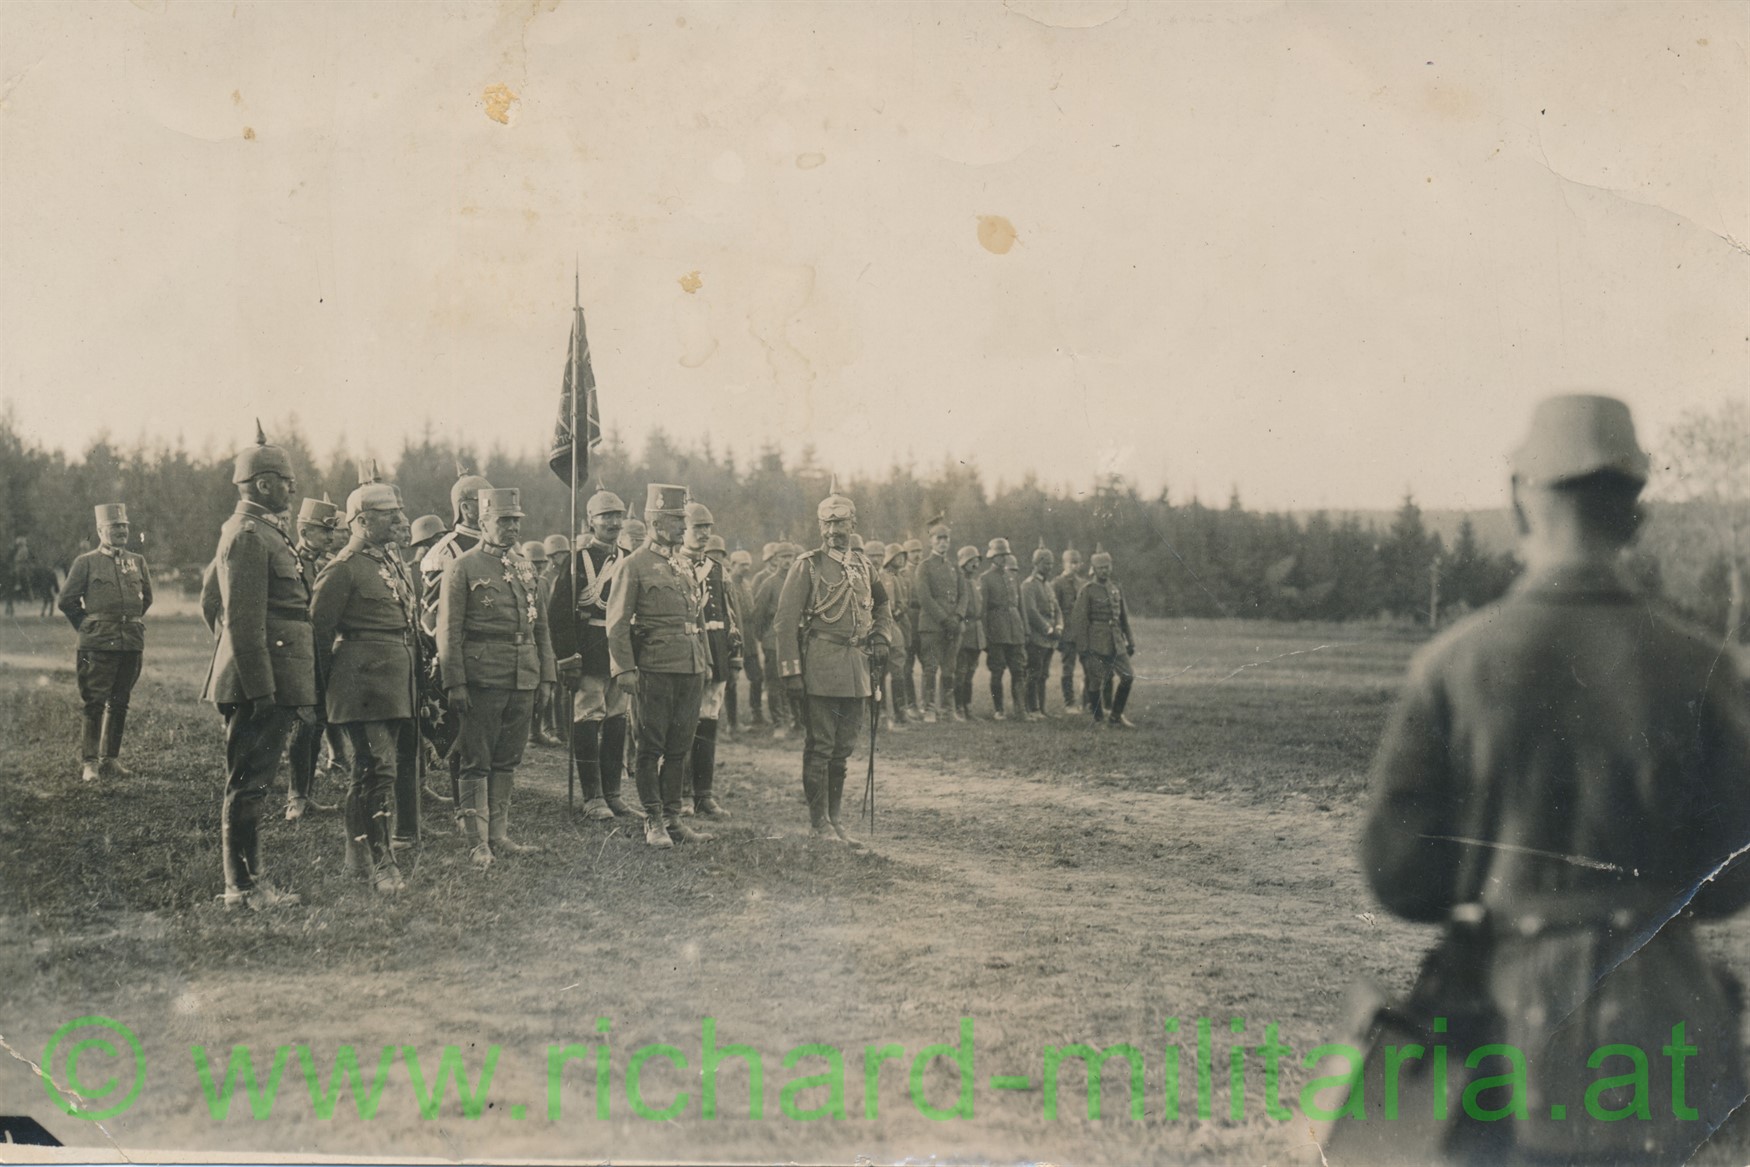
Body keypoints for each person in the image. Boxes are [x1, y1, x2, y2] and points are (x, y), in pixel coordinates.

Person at [1350, 394, 1750, 1165]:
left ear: (1519, 500)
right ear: (1635, 512)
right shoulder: (1703, 666)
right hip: (1661, 1038)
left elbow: (1397, 875)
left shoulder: (1454, 664)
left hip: (1501, 1035)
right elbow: (1734, 876)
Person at [200, 425, 316, 910]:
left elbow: (211, 600)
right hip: (260, 683)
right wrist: (260, 686)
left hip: (269, 677)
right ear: (264, 484)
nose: (292, 487)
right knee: (248, 784)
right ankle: (243, 888)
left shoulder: (263, 532)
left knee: (254, 782)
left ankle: (247, 884)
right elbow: (242, 622)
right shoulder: (248, 535)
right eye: (286, 481)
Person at [436, 487, 556, 868]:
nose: (511, 528)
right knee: (477, 759)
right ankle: (477, 842)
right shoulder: (464, 566)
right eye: (503, 521)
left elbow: (541, 629)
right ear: (483, 522)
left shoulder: (525, 567)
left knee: (508, 758)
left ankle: (498, 835)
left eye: (515, 521)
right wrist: (455, 682)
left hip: (523, 675)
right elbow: (448, 630)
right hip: (482, 677)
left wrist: (547, 676)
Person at [310, 481, 418, 894]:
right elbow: (318, 633)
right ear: (362, 521)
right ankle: (382, 863)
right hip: (361, 683)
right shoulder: (344, 567)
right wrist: (321, 695)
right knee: (379, 770)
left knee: (370, 771)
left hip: (393, 680)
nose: (398, 519)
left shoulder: (386, 562)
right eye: (388, 514)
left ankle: (357, 859)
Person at [776, 489, 891, 844]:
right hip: (821, 668)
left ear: (853, 525)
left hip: (857, 668)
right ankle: (819, 824)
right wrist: (792, 672)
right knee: (821, 747)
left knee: (842, 750)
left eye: (840, 524)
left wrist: (882, 635)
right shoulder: (808, 565)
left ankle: (835, 818)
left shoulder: (864, 565)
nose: (833, 531)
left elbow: (882, 605)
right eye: (827, 524)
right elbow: (785, 622)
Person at [606, 484, 713, 847]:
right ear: (654, 522)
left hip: (690, 666)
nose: (684, 526)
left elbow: (696, 618)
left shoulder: (682, 564)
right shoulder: (633, 565)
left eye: (684, 519)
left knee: (680, 746)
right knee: (650, 747)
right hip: (654, 667)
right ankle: (653, 820)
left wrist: (705, 661)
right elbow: (617, 623)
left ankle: (673, 818)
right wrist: (624, 668)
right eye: (676, 519)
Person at [548, 490, 636, 823]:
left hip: (620, 652)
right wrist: (568, 657)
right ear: (591, 521)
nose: (613, 522)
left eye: (617, 516)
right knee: (588, 718)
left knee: (617, 719)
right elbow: (559, 613)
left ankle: (613, 794)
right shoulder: (577, 561)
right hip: (588, 650)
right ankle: (592, 796)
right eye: (605, 516)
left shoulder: (629, 557)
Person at [59, 503, 153, 781]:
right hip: (98, 643)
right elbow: (66, 600)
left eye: (124, 526)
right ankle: (90, 763)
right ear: (101, 530)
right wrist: (89, 626)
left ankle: (110, 760)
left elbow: (147, 598)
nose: (122, 530)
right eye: (115, 526)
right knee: (95, 702)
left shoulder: (138, 561)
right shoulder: (85, 562)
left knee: (121, 701)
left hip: (131, 642)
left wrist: (127, 621)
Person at [421, 472, 491, 810]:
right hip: (462, 657)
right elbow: (434, 618)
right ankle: (466, 809)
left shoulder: (502, 546)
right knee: (464, 734)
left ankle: (486, 804)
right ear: (466, 507)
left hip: (497, 656)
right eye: (485, 502)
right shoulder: (443, 552)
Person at [678, 505, 739, 819]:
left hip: (717, 647)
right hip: (688, 649)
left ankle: (704, 794)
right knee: (685, 723)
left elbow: (730, 614)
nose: (704, 533)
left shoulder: (716, 568)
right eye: (697, 527)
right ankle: (682, 794)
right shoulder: (674, 564)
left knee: (709, 719)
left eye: (707, 527)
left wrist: (735, 655)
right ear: (683, 530)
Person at [284, 496, 342, 820]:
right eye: (324, 531)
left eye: (332, 531)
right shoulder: (289, 564)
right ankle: (295, 798)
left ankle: (305, 795)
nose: (331, 537)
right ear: (304, 531)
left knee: (317, 722)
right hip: (297, 655)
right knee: (303, 723)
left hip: (321, 652)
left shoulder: (325, 565)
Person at [1067, 550, 1135, 727]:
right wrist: (1083, 649)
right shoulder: (1087, 590)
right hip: (1095, 643)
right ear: (1094, 569)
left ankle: (1116, 716)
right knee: (1095, 681)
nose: (1105, 571)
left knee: (1128, 676)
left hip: (1116, 641)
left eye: (1107, 567)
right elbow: (1079, 621)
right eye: (1101, 568)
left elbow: (1123, 617)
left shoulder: (1115, 588)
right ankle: (1097, 718)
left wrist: (1130, 640)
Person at [912, 523, 961, 723]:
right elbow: (925, 598)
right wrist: (944, 619)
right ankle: (929, 709)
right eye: (938, 538)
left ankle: (948, 709)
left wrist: (957, 617)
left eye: (945, 538)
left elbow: (964, 595)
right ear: (931, 541)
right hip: (932, 626)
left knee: (949, 668)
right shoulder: (924, 566)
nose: (942, 542)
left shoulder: (954, 567)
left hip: (953, 626)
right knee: (930, 668)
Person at [754, 542, 801, 739]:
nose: (787, 561)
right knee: (775, 684)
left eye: (790, 557)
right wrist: (765, 638)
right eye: (783, 557)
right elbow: (758, 615)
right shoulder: (769, 584)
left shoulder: (800, 582)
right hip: (774, 641)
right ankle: (779, 723)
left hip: (796, 642)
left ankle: (798, 721)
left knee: (796, 682)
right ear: (775, 559)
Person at [978, 538, 1026, 720]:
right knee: (997, 670)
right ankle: (999, 709)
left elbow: (1020, 607)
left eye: (1005, 555)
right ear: (992, 557)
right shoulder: (985, 578)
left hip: (1015, 629)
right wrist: (985, 635)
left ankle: (1020, 710)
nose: (1003, 558)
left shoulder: (1013, 577)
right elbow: (983, 611)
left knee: (1019, 670)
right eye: (999, 555)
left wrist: (1025, 630)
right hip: (997, 630)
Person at [521, 539, 561, 748]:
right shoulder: (520, 579)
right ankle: (529, 732)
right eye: (533, 563)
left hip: (544, 639)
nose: (537, 567)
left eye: (541, 563)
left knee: (546, 688)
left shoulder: (543, 582)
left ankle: (538, 730)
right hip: (527, 641)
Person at [1020, 546, 1063, 721]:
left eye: (1051, 564)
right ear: (1036, 563)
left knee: (1043, 674)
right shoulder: (1028, 585)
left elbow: (1057, 609)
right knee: (1033, 673)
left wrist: (1059, 626)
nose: (1049, 567)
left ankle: (1042, 708)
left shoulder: (1048, 586)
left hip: (1049, 639)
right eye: (1046, 563)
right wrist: (1048, 629)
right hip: (1036, 638)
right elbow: (1031, 611)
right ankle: (1032, 708)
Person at [728, 548, 762, 728]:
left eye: (748, 565)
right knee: (731, 682)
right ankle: (732, 723)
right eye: (743, 565)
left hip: (749, 638)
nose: (747, 568)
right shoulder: (727, 584)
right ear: (733, 565)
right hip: (733, 639)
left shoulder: (747, 584)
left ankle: (757, 714)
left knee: (757, 677)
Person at [951, 546, 984, 720]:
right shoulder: (958, 581)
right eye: (971, 561)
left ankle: (967, 706)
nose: (975, 564)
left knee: (971, 671)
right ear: (963, 563)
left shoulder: (975, 582)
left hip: (976, 632)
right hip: (964, 630)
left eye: (977, 561)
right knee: (961, 672)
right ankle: (958, 707)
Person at [1052, 549, 1087, 713]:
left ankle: (1087, 701)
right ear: (1064, 564)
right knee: (1068, 668)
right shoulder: (1057, 583)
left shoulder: (1083, 583)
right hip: (1066, 633)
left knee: (1088, 668)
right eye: (1071, 562)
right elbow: (1054, 609)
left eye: (1076, 563)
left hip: (1082, 632)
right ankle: (1069, 703)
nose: (1074, 566)